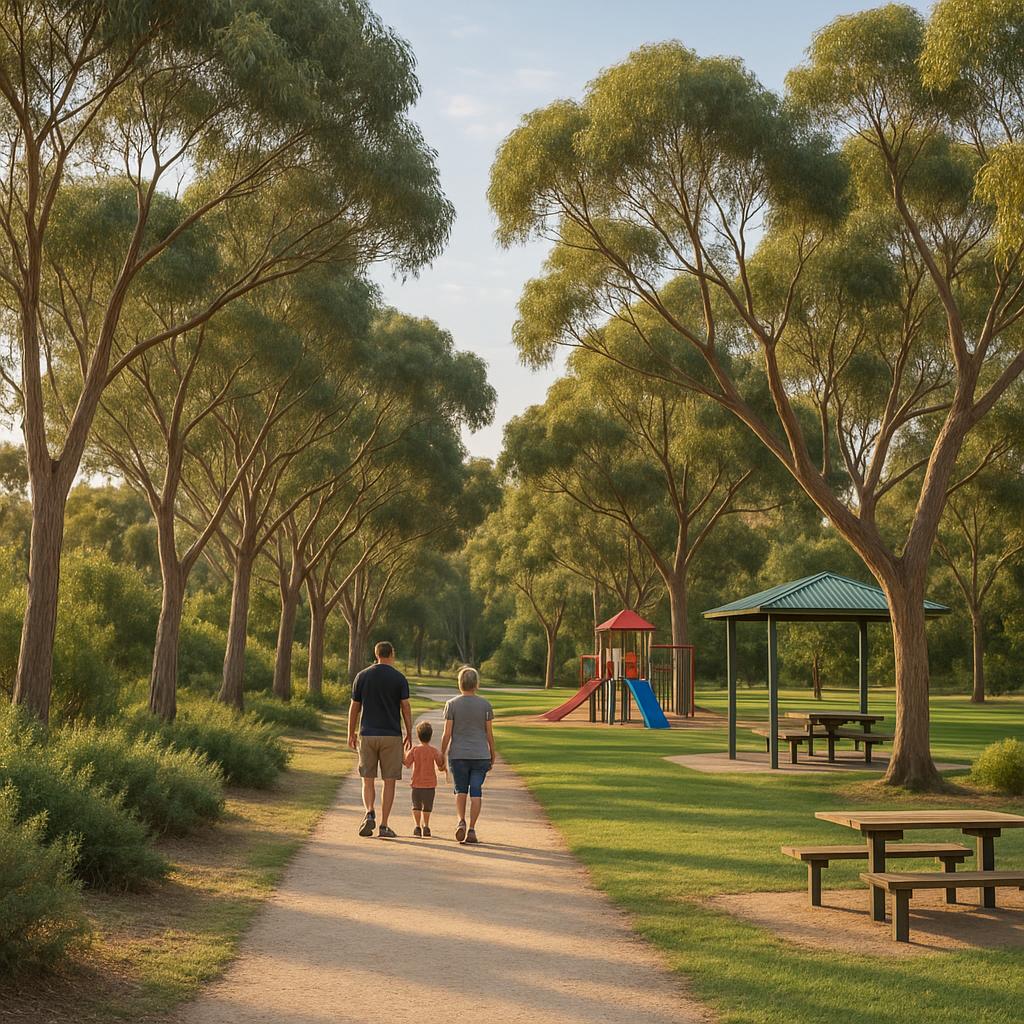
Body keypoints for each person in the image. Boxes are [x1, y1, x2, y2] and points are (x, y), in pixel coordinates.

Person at [347, 641, 412, 839]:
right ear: (391, 654)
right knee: (389, 781)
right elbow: (405, 707)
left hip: (367, 733)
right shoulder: (399, 678)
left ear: (376, 654)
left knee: (367, 779)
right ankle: (384, 825)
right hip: (391, 735)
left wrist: (351, 732)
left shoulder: (362, 676)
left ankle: (369, 812)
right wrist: (409, 732)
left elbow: (354, 707)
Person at [440, 666, 495, 845]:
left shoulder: (452, 704)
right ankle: (472, 828)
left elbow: (447, 733)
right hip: (480, 755)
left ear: (460, 683)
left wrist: (441, 753)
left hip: (458, 755)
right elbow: (489, 733)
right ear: (476, 684)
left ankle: (460, 821)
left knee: (460, 789)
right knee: (476, 791)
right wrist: (492, 753)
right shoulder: (485, 705)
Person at [403, 720, 446, 837]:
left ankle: (417, 826)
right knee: (427, 806)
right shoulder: (433, 751)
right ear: (431, 736)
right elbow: (440, 764)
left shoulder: (415, 750)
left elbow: (406, 763)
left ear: (418, 736)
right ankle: (426, 826)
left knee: (416, 806)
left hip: (416, 783)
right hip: (430, 784)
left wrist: (403, 751)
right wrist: (444, 761)